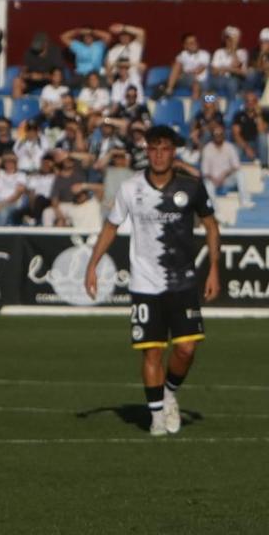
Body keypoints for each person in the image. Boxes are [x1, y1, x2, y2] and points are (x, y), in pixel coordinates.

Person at [83, 126, 222, 438]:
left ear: (174, 152)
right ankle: (157, 417)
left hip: (183, 282)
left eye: (165, 149)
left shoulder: (192, 187)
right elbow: (110, 227)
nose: (159, 155)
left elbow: (212, 226)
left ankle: (169, 391)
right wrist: (91, 265)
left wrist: (214, 268)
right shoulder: (131, 188)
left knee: (186, 349)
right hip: (145, 285)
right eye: (153, 149)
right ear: (147, 151)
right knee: (152, 353)